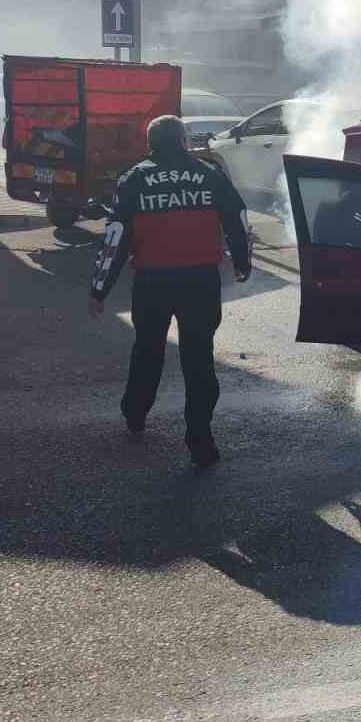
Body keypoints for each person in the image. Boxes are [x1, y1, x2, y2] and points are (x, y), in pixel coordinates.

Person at [88, 115, 250, 466]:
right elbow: (237, 219)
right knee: (198, 359)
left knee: (148, 350)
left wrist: (99, 289)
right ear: (183, 141)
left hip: (153, 283)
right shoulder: (210, 174)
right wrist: (242, 262)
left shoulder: (134, 179)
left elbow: (115, 237)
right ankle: (200, 440)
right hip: (200, 282)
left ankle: (135, 413)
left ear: (150, 143)